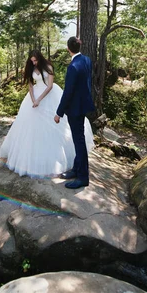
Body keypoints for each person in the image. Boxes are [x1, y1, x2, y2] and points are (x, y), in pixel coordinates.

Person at [0, 49, 94, 178]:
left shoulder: (48, 66)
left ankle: (64, 161)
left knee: (53, 127)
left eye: (35, 60)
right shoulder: (31, 68)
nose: (34, 63)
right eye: (32, 61)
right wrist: (33, 99)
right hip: (34, 97)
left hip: (48, 95)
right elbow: (30, 85)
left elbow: (49, 86)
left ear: (40, 58)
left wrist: (39, 99)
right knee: (29, 127)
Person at [54, 37, 96, 189]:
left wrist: (59, 112)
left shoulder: (73, 67)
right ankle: (76, 169)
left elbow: (68, 92)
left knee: (79, 142)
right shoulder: (87, 60)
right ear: (80, 46)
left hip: (75, 109)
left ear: (68, 49)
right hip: (83, 105)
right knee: (79, 139)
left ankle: (83, 177)